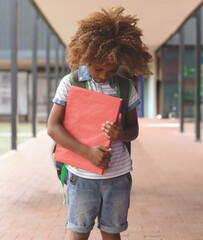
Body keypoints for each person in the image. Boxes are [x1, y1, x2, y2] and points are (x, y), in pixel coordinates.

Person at [47, 6, 151, 240]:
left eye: (112, 69)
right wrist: (87, 153)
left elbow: (133, 131)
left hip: (118, 176)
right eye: (98, 68)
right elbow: (53, 127)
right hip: (81, 176)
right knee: (78, 233)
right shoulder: (71, 82)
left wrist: (119, 134)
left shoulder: (124, 86)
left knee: (112, 234)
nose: (104, 75)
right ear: (86, 57)